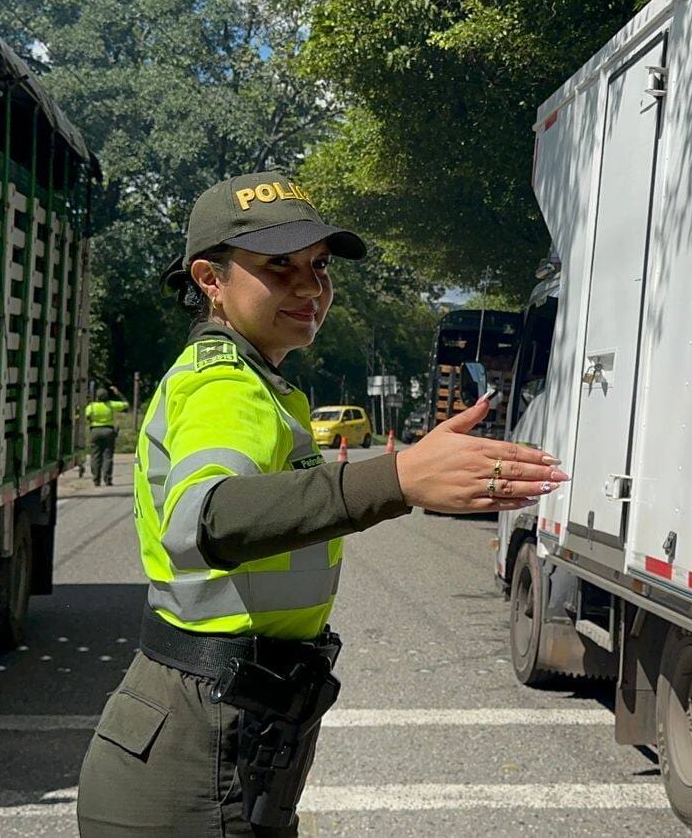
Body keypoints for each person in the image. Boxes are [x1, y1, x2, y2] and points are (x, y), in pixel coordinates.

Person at [76, 171, 569, 836]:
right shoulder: (225, 386)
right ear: (209, 279)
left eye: (319, 265)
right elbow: (208, 519)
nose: (309, 287)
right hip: (200, 752)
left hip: (222, 733)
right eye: (278, 267)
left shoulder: (257, 383)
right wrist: (394, 478)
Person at [85, 386, 130, 486]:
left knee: (95, 456)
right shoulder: (111, 405)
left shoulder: (91, 407)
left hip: (95, 431)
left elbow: (86, 416)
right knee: (107, 456)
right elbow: (126, 404)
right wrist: (118, 393)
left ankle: (96, 480)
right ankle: (107, 479)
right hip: (108, 431)